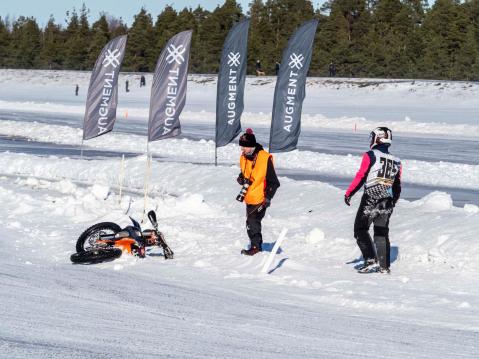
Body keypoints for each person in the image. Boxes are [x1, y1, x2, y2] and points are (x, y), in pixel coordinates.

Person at [344, 127, 402, 274]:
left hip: (371, 197)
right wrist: (392, 201)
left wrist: (349, 192)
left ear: (377, 138)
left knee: (360, 229)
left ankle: (370, 260)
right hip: (387, 200)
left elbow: (361, 176)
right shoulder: (397, 161)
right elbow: (397, 185)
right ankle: (384, 266)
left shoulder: (371, 155)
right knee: (381, 232)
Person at [237, 128, 280, 256]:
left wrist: (268, 198)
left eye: (244, 147)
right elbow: (247, 172)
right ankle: (256, 246)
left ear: (251, 146)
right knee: (250, 223)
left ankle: (256, 247)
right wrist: (241, 177)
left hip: (261, 197)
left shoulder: (264, 158)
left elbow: (274, 182)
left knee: (253, 221)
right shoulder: (244, 157)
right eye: (241, 147)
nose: (242, 150)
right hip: (250, 196)